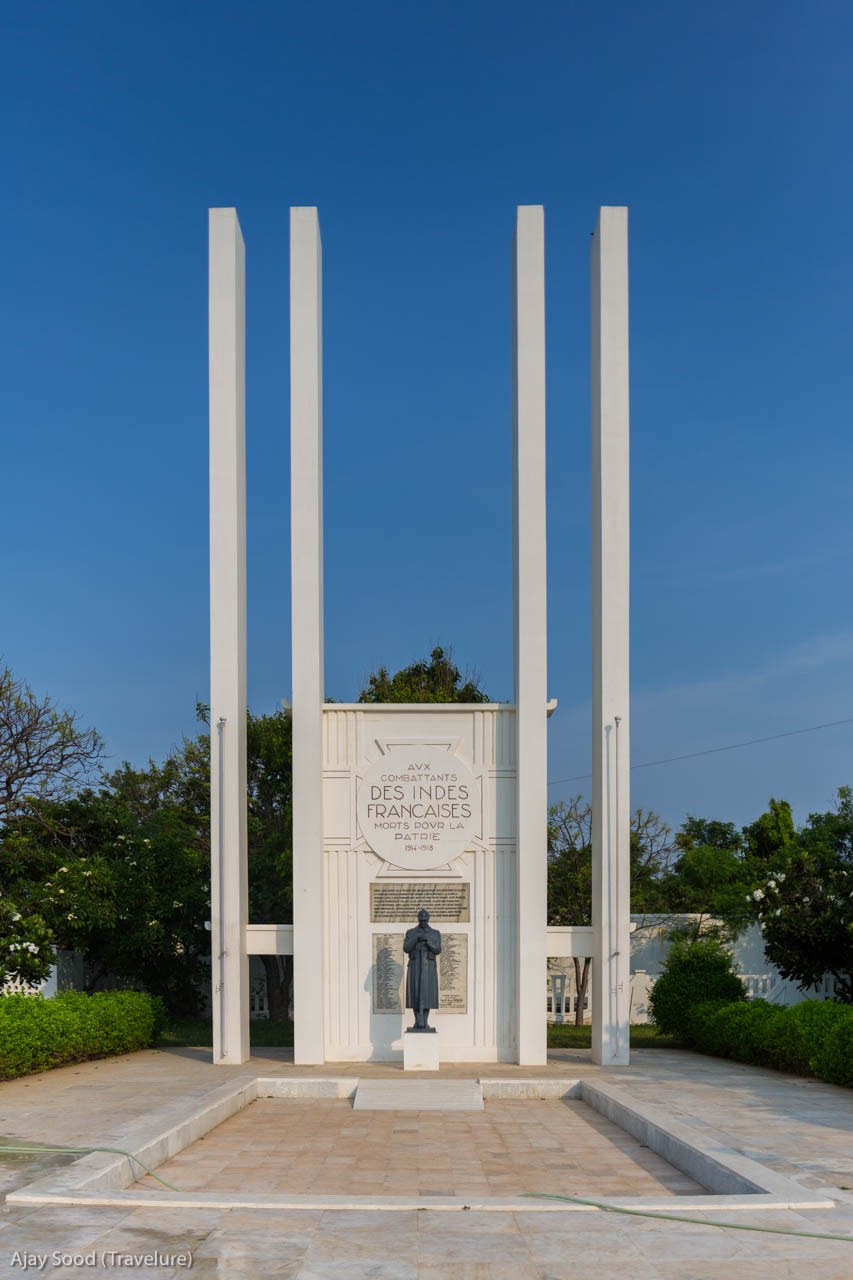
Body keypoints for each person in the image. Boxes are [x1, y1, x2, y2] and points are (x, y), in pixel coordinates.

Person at [403, 908, 441, 1031]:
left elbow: (438, 949)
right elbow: (406, 948)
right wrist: (416, 938)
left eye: (425, 920)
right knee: (415, 992)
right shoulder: (411, 932)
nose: (423, 922)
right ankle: (417, 1021)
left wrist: (427, 941)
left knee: (427, 993)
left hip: (428, 966)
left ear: (428, 919)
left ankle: (425, 1021)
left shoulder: (435, 933)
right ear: (418, 919)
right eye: (421, 920)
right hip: (415, 965)